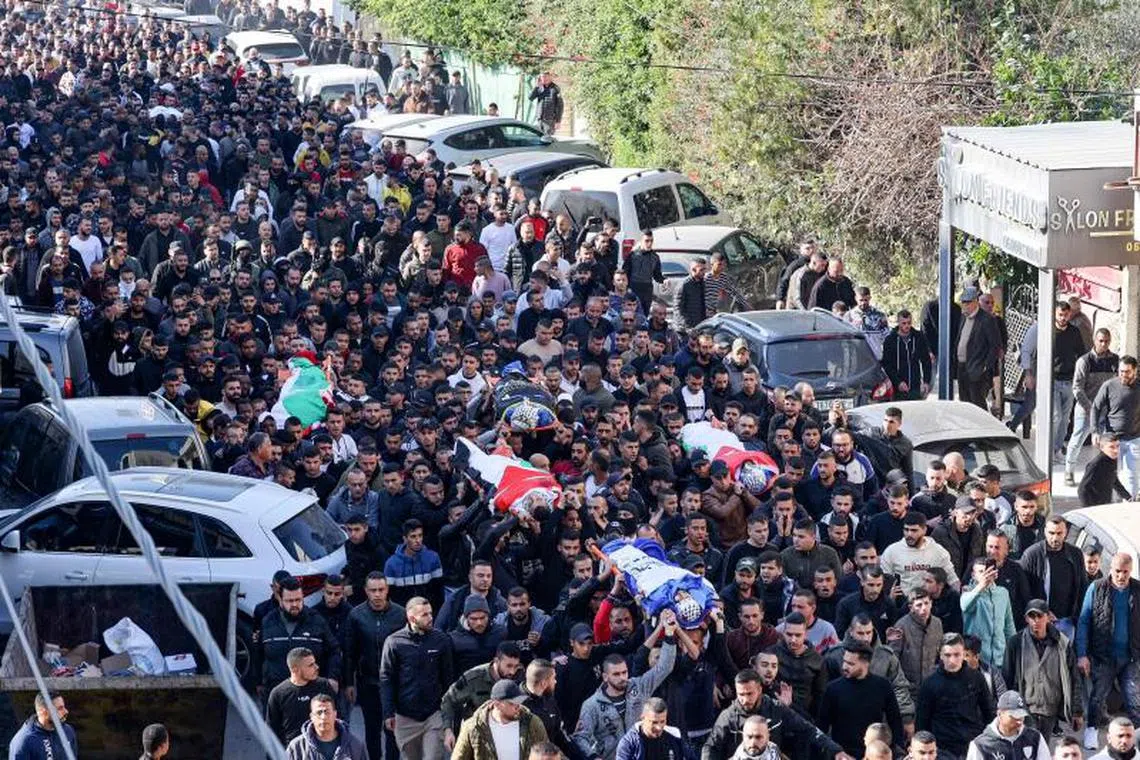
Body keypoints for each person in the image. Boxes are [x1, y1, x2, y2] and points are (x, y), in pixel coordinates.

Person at [574, 610, 679, 760]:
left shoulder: (638, 687)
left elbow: (665, 667)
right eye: (616, 674)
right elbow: (580, 737)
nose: (622, 677)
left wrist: (669, 634)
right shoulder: (592, 705)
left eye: (624, 672)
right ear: (605, 677)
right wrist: (593, 757)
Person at [702, 668, 848, 760]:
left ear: (759, 690)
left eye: (749, 693)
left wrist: (835, 751)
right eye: (741, 694)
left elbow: (807, 729)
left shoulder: (776, 708)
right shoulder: (728, 717)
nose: (745, 699)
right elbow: (711, 747)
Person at [1076, 553, 1140, 749]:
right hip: (1103, 655)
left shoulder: (1137, 590)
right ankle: (1091, 731)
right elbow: (1084, 620)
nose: (1121, 576)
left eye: (1125, 572)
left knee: (1133, 699)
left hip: (1130, 656)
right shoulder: (1096, 588)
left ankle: (1137, 737)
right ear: (1111, 569)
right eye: (1117, 571)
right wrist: (1082, 654)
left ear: (1131, 571)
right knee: (1098, 696)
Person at [379, 596, 454, 760]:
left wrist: (449, 714)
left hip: (434, 715)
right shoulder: (394, 642)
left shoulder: (441, 640)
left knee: (433, 757)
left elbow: (448, 679)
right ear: (412, 618)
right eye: (425, 615)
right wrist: (388, 713)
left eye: (431, 613)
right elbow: (386, 679)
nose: (430, 618)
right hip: (405, 717)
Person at [1001, 599, 1084, 739]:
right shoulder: (1016, 643)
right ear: (1026, 619)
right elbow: (1007, 677)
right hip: (1025, 708)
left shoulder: (1061, 643)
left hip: (1050, 708)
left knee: (1042, 748)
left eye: (1040, 616)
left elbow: (1073, 677)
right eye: (1032, 616)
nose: (1036, 621)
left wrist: (1077, 711)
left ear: (1048, 617)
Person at [344, 572, 404, 760]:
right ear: (365, 591)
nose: (377, 594)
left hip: (395, 683)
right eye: (373, 590)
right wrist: (349, 682)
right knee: (371, 729)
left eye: (381, 590)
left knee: (393, 729)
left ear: (387, 590)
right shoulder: (356, 616)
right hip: (368, 682)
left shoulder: (400, 614)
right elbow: (349, 653)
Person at [257, 576, 342, 705]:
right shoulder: (268, 622)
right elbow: (258, 653)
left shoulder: (317, 621)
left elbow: (334, 651)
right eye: (290, 601)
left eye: (298, 600)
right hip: (276, 693)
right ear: (280, 600)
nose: (295, 605)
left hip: (311, 694)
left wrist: (333, 677)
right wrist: (258, 681)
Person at [916, 633, 997, 760]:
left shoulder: (976, 678)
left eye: (957, 655)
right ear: (940, 655)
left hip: (973, 745)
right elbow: (922, 724)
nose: (952, 660)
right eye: (947, 655)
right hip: (943, 749)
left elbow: (989, 713)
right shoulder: (929, 684)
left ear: (964, 654)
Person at [818, 642, 904, 757]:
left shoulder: (882, 686)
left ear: (865, 664)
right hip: (843, 754)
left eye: (850, 663)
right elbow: (822, 725)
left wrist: (898, 751)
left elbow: (895, 720)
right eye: (844, 661)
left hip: (874, 754)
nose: (844, 667)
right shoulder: (833, 689)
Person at [441, 642, 524, 749]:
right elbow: (448, 700)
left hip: (507, 736)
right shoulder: (474, 678)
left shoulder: (519, 676)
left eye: (516, 666)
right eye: (508, 666)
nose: (512, 671)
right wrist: (448, 730)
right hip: (478, 737)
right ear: (496, 661)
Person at [1018, 517, 1086, 640]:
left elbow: (1082, 587)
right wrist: (1040, 612)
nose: (1055, 538)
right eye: (1051, 533)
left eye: (1059, 533)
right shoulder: (1032, 555)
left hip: (1067, 621)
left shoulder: (1075, 554)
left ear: (1066, 533)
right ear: (1045, 532)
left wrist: (1077, 617)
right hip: (1039, 621)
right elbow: (1023, 592)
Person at [1066, 327, 1118, 485]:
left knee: (1107, 443)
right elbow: (1077, 388)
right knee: (1077, 440)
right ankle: (1069, 471)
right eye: (1101, 341)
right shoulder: (1085, 361)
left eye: (1107, 341)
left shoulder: (1115, 360)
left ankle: (1103, 474)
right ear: (1095, 341)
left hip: (1106, 410)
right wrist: (1089, 408)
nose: (1104, 344)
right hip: (1086, 407)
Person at [453, 679, 550, 760]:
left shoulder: (532, 723)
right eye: (512, 703)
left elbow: (548, 755)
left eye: (519, 702)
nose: (518, 707)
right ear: (497, 704)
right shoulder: (473, 727)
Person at [1090, 355, 1140, 499]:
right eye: (1121, 371)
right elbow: (1096, 407)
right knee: (1109, 476)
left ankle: (1130, 506)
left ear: (1135, 371)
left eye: (1128, 372)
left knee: (1132, 475)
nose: (1124, 375)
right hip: (1112, 439)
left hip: (1134, 439)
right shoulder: (1109, 386)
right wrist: (1095, 431)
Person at [267, 646, 338, 744]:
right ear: (295, 669)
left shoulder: (324, 686)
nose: (316, 667)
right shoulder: (278, 693)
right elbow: (272, 732)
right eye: (310, 665)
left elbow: (338, 719)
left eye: (315, 663)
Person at [960, 557, 1016, 669]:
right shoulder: (968, 591)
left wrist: (1014, 651)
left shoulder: (1003, 593)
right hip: (977, 660)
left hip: (1000, 659)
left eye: (988, 571)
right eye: (981, 572)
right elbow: (965, 605)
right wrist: (981, 586)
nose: (985, 575)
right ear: (973, 574)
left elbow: (1009, 625)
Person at [954, 286, 1003, 411]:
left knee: (977, 403)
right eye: (963, 302)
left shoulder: (987, 320)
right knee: (964, 402)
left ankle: (981, 429)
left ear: (975, 302)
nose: (964, 306)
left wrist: (985, 366)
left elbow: (995, 345)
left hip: (977, 368)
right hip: (962, 366)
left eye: (967, 303)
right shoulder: (963, 317)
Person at [964, 691, 1050, 760]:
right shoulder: (981, 745)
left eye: (1021, 716)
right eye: (1014, 716)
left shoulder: (1035, 738)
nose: (1019, 720)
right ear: (1000, 714)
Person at [285, 693, 368, 760]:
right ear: (311, 717)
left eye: (327, 712)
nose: (323, 717)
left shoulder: (354, 746)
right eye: (319, 713)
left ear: (335, 714)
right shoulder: (297, 748)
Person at [9, 693, 78, 760]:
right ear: (44, 711)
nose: (66, 711)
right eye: (60, 708)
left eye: (64, 707)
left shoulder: (67, 731)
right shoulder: (24, 741)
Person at [612, 699, 688, 760]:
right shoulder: (628, 744)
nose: (659, 727)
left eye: (662, 721)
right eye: (654, 722)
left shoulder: (674, 737)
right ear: (643, 718)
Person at [1078, 432, 1131, 506]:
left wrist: (1128, 497)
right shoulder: (1096, 464)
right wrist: (1087, 508)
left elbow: (1114, 480)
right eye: (1111, 447)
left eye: (1117, 446)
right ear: (1102, 448)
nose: (1116, 450)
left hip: (1105, 503)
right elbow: (1082, 489)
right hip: (1095, 505)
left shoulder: (1112, 459)